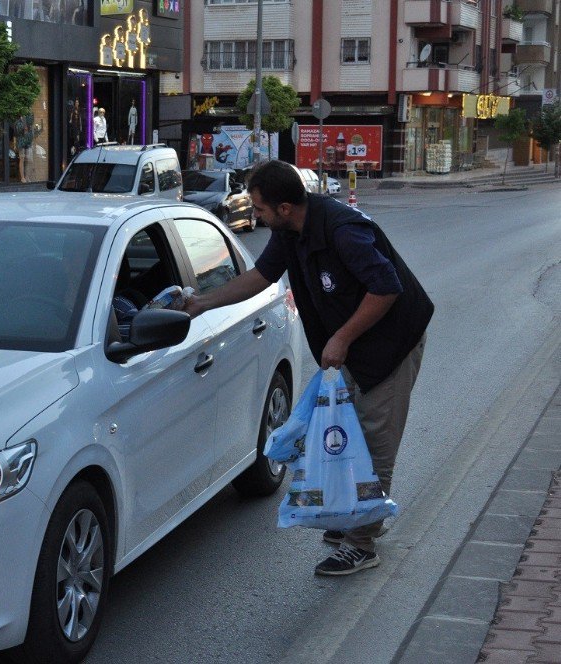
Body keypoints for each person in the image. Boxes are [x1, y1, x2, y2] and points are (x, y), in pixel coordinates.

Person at [185, 160, 433, 576]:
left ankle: (362, 542)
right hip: (352, 347)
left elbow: (387, 287)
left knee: (374, 443)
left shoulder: (341, 230)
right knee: (344, 434)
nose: (255, 216)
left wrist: (341, 338)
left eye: (259, 209)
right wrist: (203, 304)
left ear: (284, 207)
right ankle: (353, 518)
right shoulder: (290, 231)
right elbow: (261, 277)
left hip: (392, 344)